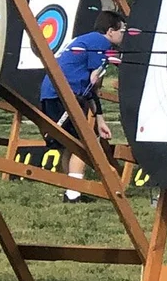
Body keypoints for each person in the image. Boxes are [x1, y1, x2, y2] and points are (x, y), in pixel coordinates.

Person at [39, 10, 124, 203]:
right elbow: (93, 79)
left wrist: (99, 117)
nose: (123, 35)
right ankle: (73, 194)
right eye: (121, 31)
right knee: (83, 144)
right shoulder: (101, 43)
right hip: (65, 96)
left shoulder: (86, 40)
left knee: (67, 144)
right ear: (110, 31)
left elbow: (88, 88)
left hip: (51, 94)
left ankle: (71, 192)